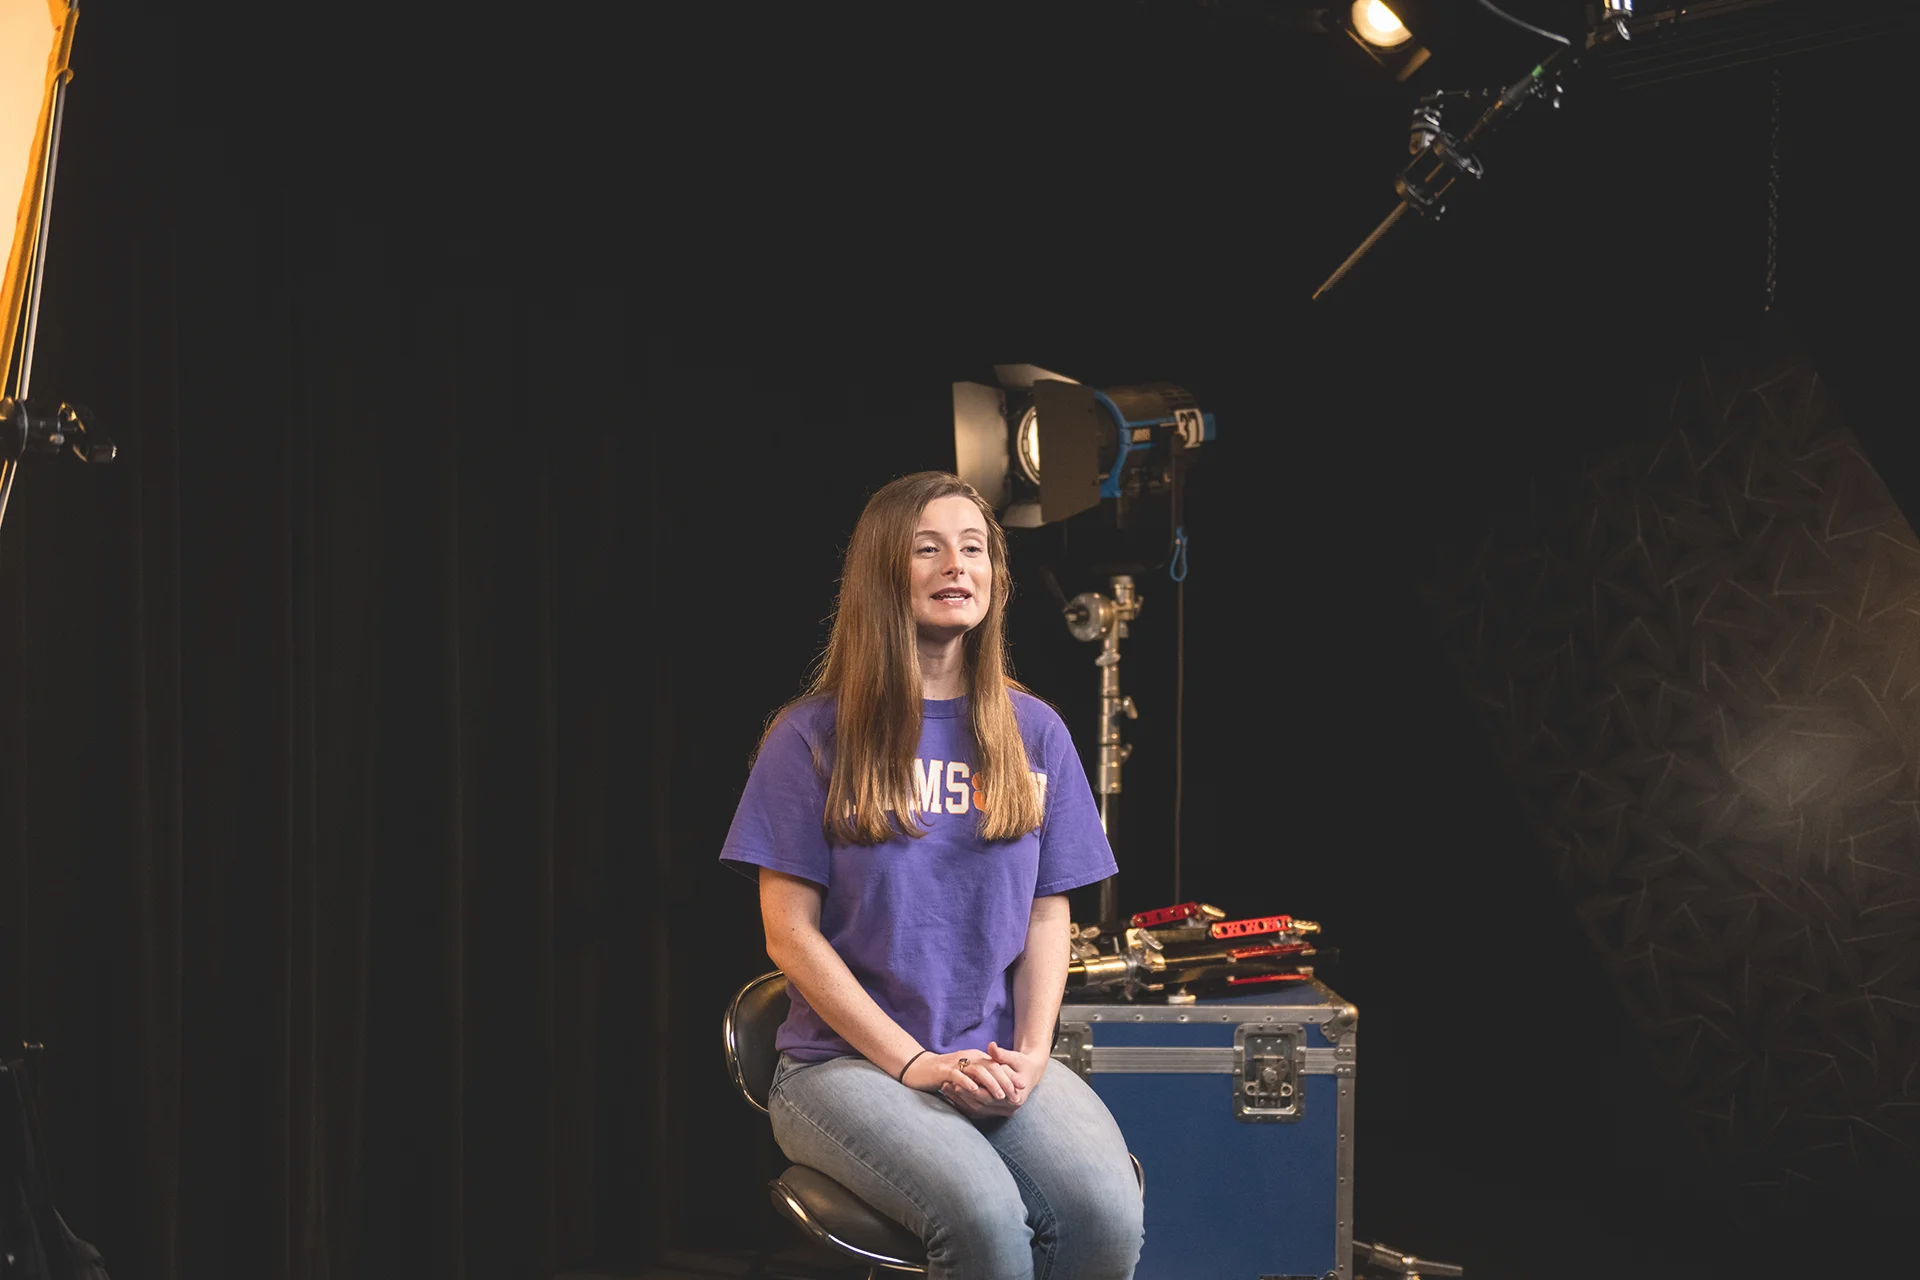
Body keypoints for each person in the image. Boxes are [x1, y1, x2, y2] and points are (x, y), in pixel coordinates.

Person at [719, 471, 1144, 1279]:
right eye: (929, 547)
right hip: (840, 1068)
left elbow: (1047, 915)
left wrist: (1029, 1052)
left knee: (1106, 1214)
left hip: (992, 1054)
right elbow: (789, 934)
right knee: (985, 1222)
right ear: (885, 573)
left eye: (974, 547)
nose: (958, 564)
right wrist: (915, 1065)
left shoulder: (1035, 732)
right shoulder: (809, 738)